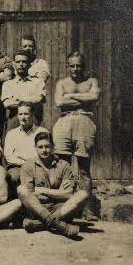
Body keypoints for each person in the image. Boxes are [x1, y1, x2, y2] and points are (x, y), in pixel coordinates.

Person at [53, 51, 100, 220]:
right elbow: (59, 102)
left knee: (84, 168)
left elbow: (94, 96)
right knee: (62, 166)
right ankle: (62, 207)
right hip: (64, 123)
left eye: (78, 65)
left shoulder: (91, 81)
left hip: (84, 121)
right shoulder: (61, 83)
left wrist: (71, 96)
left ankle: (86, 208)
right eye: (71, 65)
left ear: (83, 66)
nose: (75, 69)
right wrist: (83, 98)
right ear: (67, 66)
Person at [17, 132, 88, 239]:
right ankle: (58, 225)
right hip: (37, 209)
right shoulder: (27, 166)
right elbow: (30, 195)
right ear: (35, 148)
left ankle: (39, 225)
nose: (44, 150)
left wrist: (42, 190)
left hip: (60, 209)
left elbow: (69, 194)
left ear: (53, 147)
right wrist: (59, 193)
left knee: (83, 194)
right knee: (21, 189)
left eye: (47, 146)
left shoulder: (63, 165)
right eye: (40, 147)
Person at [4, 102, 48, 185]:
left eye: (26, 114)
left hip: (38, 166)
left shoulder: (42, 131)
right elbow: (8, 157)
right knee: (12, 177)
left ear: (32, 114)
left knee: (43, 179)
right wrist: (25, 164)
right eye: (20, 114)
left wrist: (34, 165)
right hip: (17, 167)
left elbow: (46, 152)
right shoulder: (11, 134)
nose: (23, 117)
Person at [1, 49, 46, 133]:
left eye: (24, 62)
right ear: (14, 64)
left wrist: (17, 99)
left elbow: (39, 100)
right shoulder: (8, 84)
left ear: (30, 64)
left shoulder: (38, 82)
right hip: (14, 121)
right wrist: (30, 100)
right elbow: (7, 104)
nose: (21, 64)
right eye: (18, 62)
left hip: (33, 121)